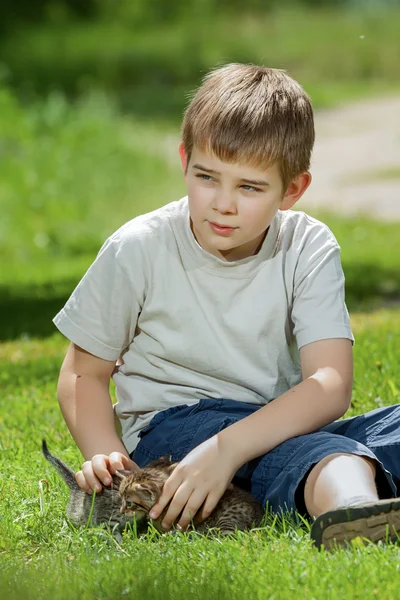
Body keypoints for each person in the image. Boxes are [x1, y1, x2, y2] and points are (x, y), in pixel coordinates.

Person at [53, 63, 400, 550]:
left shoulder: (308, 245)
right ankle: (355, 513)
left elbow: (330, 384)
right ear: (184, 160)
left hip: (269, 425)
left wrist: (230, 448)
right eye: (207, 177)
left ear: (293, 190)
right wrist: (107, 455)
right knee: (320, 452)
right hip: (176, 429)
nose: (223, 203)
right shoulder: (139, 248)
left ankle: (352, 481)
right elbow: (83, 373)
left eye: (250, 187)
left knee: (366, 434)